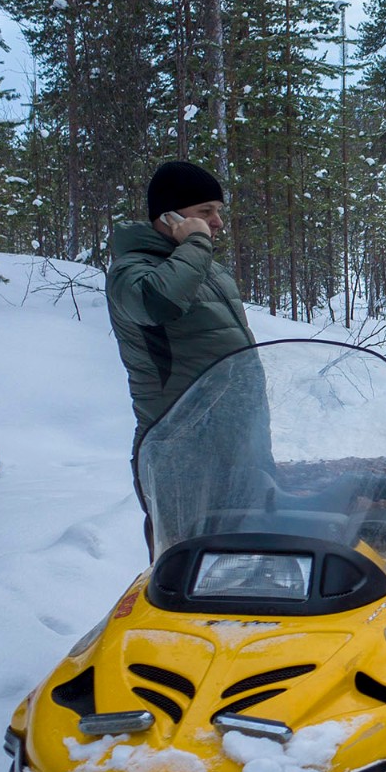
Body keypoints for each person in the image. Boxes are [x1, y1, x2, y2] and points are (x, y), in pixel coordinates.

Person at [106, 160, 256, 553]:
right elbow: (158, 303)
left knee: (247, 555)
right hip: (178, 446)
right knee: (186, 558)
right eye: (205, 212)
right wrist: (195, 243)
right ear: (168, 217)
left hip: (236, 435)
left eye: (218, 212)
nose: (217, 223)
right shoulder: (131, 272)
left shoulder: (205, 268)